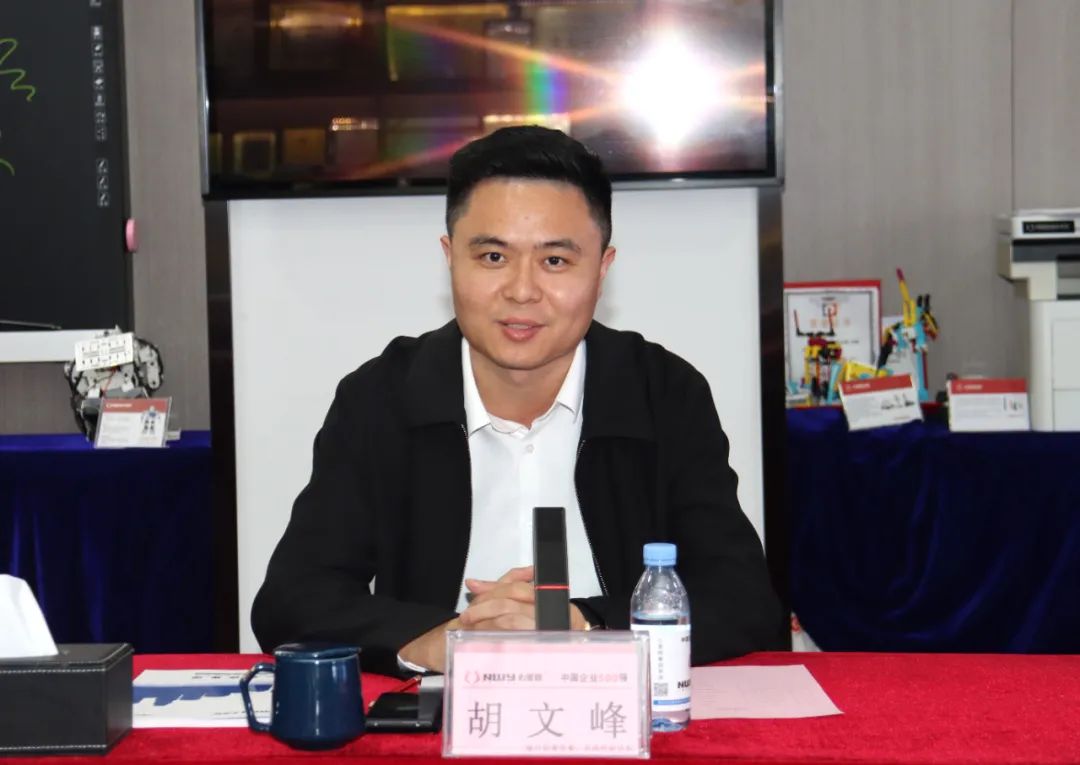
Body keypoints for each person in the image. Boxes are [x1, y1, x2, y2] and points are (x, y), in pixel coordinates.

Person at [252, 126, 787, 675]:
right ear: (450, 258)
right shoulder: (382, 396)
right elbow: (292, 601)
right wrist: (437, 640)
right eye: (492, 256)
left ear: (602, 269)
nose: (522, 290)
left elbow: (742, 597)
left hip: (617, 704)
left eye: (555, 261)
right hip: (444, 710)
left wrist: (582, 624)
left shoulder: (663, 392)